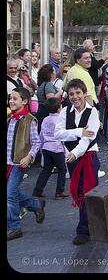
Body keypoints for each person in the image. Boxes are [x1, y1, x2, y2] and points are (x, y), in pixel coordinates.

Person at [54, 78, 101, 246]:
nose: (75, 97)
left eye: (78, 93)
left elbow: (90, 137)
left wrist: (75, 152)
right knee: (78, 193)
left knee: (88, 193)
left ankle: (84, 230)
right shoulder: (65, 111)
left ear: (84, 93)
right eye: (71, 94)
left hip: (88, 157)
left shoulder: (92, 112)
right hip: (71, 159)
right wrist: (78, 131)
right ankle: (88, 226)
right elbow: (57, 134)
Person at [7, 87, 45, 241]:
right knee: (12, 192)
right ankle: (35, 205)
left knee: (10, 194)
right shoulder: (10, 118)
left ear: (24, 101)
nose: (11, 101)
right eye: (10, 98)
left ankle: (14, 227)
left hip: (19, 163)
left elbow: (36, 143)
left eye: (15, 99)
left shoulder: (30, 120)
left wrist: (29, 157)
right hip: (7, 162)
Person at [32, 97, 69, 200]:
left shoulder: (45, 119)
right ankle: (59, 191)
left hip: (46, 147)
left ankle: (37, 190)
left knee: (46, 170)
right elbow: (63, 135)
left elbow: (41, 134)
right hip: (57, 148)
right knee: (62, 170)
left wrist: (40, 147)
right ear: (59, 108)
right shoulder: (61, 120)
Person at [35, 64, 63, 132]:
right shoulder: (48, 84)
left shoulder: (41, 84)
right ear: (50, 74)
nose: (55, 73)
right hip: (46, 112)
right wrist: (60, 92)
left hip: (40, 110)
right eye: (53, 71)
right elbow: (51, 100)